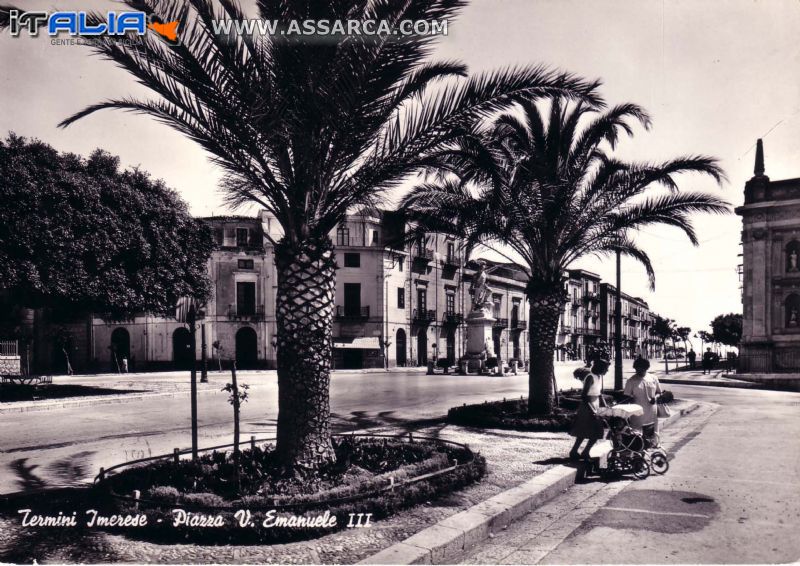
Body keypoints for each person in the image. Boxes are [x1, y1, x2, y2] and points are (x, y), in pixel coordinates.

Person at [568, 358, 609, 460]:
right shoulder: (590, 377)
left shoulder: (598, 377)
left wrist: (605, 407)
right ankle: (574, 451)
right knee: (583, 431)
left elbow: (600, 394)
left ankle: (586, 452)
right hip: (587, 407)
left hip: (596, 405)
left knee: (597, 432)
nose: (607, 371)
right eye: (606, 369)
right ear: (600, 367)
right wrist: (592, 410)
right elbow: (584, 396)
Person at [623, 358, 662, 437]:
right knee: (637, 434)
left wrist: (656, 398)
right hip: (637, 412)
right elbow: (626, 397)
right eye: (636, 368)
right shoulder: (631, 381)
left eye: (640, 369)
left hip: (652, 410)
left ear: (646, 368)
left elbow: (659, 392)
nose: (638, 371)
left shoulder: (653, 378)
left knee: (652, 432)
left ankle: (653, 445)